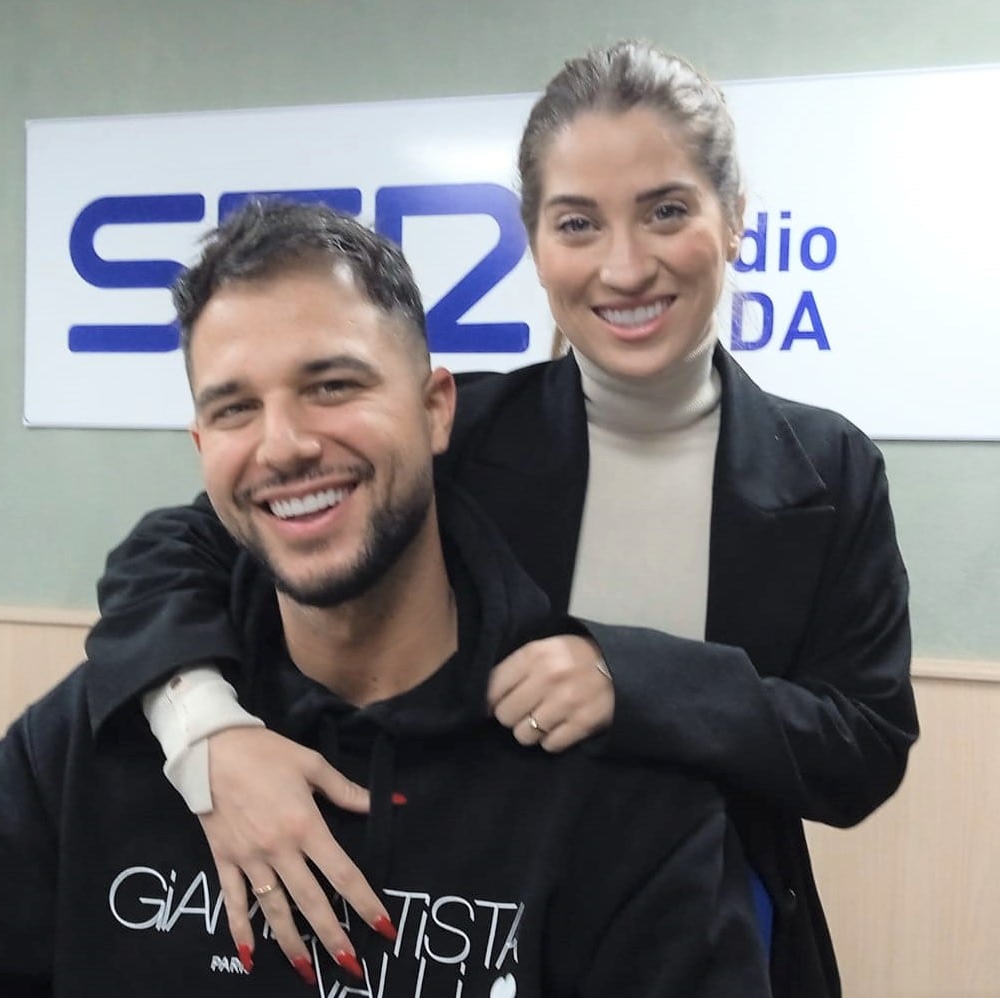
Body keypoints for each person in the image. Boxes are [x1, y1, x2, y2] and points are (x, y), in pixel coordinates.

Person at [85, 41, 918, 997]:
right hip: (461, 932)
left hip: (708, 941)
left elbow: (864, 748)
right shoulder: (457, 432)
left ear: (735, 220)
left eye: (668, 211)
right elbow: (176, 550)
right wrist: (204, 732)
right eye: (577, 223)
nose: (624, 265)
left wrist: (634, 680)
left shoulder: (831, 469)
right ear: (533, 242)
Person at [0, 201, 771, 996]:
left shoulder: (620, 787)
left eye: (332, 384)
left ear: (438, 409)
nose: (283, 445)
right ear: (200, 450)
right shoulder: (94, 743)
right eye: (235, 408)